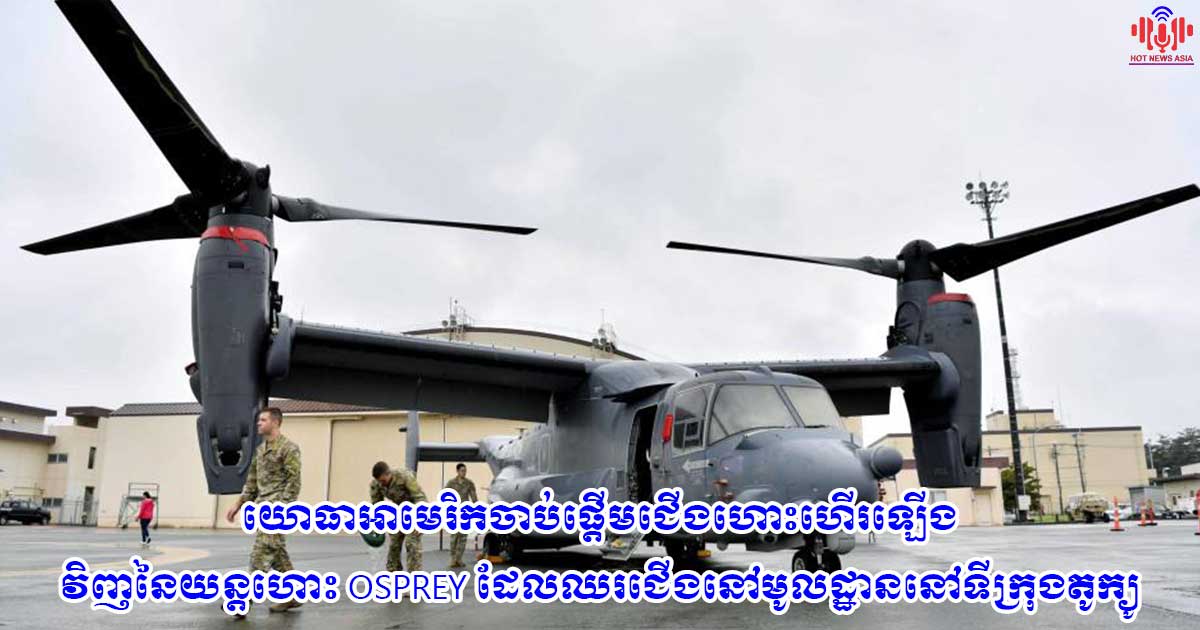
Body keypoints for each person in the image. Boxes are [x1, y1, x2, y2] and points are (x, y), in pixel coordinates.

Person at [224, 407, 303, 618]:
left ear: (275, 422)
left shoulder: (289, 448)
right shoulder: (260, 451)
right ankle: (293, 594)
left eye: (263, 419)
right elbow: (252, 483)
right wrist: (238, 504)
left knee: (261, 553)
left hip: (277, 512)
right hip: (262, 509)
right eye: (259, 420)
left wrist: (282, 509)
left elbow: (294, 482)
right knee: (277, 555)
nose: (259, 423)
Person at [369, 461, 425, 571]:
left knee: (411, 543)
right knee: (394, 543)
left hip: (414, 511)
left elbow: (420, 498)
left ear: (388, 474)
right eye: (379, 481)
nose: (381, 484)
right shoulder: (376, 484)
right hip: (399, 512)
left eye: (383, 481)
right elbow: (377, 506)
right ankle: (394, 572)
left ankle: (415, 575)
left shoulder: (404, 477)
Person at [443, 463, 477, 568]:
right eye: (462, 471)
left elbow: (474, 497)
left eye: (465, 471)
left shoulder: (469, 483)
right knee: (454, 537)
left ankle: (459, 559)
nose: (464, 473)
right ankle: (453, 559)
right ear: (457, 471)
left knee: (463, 537)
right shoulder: (451, 483)